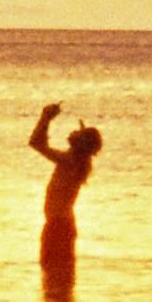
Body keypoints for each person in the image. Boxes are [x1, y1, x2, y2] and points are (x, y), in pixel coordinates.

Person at [28, 99, 102, 270]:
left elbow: (36, 144)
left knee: (52, 271)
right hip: (60, 224)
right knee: (59, 274)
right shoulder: (75, 160)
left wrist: (46, 118)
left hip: (58, 226)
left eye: (78, 133)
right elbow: (37, 144)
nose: (73, 132)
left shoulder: (70, 161)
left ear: (81, 144)